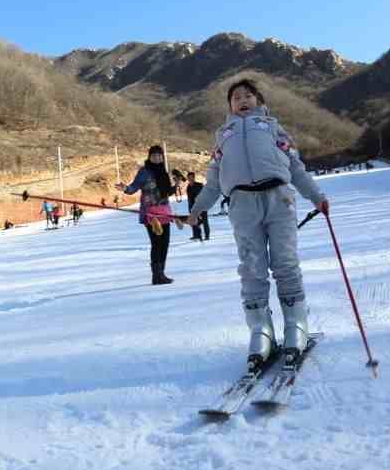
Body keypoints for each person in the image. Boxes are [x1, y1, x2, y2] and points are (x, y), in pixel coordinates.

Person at [186, 79, 329, 370]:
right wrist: (197, 209)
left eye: (248, 95)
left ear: (259, 101)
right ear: (229, 106)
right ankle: (261, 330)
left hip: (279, 199)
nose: (242, 100)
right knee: (252, 268)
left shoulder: (273, 128)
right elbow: (213, 182)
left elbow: (296, 168)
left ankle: (295, 325)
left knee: (285, 262)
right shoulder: (223, 136)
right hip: (242, 205)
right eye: (236, 97)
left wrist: (317, 197)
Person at [118, 144, 180, 285]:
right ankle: (156, 275)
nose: (157, 158)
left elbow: (167, 192)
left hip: (164, 212)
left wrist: (176, 185)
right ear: (149, 157)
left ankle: (161, 273)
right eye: (154, 156)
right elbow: (133, 188)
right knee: (156, 243)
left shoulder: (163, 172)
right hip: (151, 213)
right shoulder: (144, 172)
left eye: (159, 155)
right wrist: (125, 188)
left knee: (165, 243)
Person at [186, 171, 209, 241]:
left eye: (191, 178)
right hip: (192, 207)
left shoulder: (199, 185)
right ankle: (196, 235)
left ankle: (207, 236)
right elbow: (189, 199)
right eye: (188, 178)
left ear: (194, 177)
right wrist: (190, 208)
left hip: (201, 205)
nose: (190, 179)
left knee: (205, 221)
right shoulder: (188, 187)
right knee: (193, 221)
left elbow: (203, 195)